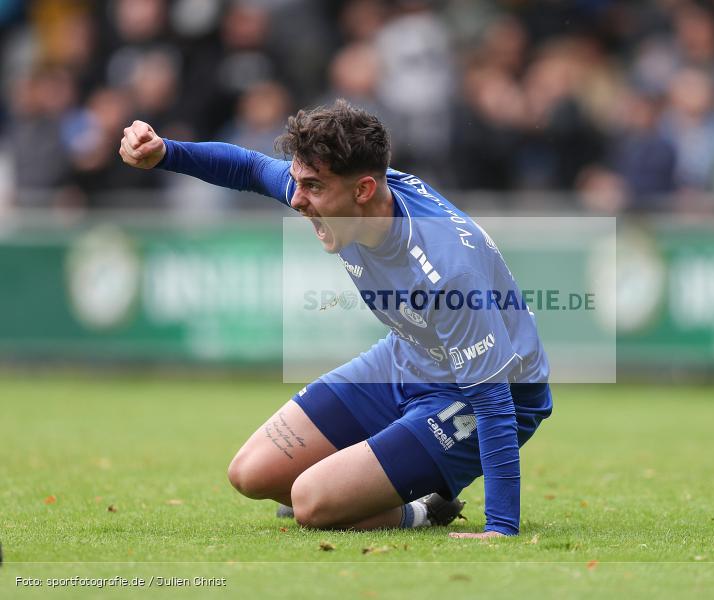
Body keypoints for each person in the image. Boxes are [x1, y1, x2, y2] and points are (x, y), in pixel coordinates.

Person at [118, 99, 552, 538]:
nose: (298, 199)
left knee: (309, 501)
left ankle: (420, 507)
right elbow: (249, 167)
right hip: (408, 358)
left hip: (493, 394)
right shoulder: (342, 196)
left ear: (363, 190)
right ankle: (406, 495)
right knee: (251, 474)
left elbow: (494, 400)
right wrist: (165, 153)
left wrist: (500, 527)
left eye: (313, 187)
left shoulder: (445, 268)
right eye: (296, 182)